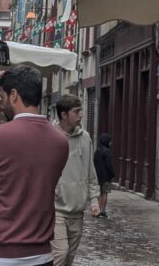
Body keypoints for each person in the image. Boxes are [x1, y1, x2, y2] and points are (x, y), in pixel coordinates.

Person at [0, 66, 68, 266]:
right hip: (40, 256)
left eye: (3, 97)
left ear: (14, 95)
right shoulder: (60, 142)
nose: (2, 103)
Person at [51, 96, 100, 266]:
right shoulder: (50, 136)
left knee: (69, 258)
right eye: (76, 112)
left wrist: (94, 200)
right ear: (64, 114)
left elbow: (90, 172)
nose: (81, 115)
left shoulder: (85, 138)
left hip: (77, 210)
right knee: (60, 253)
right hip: (56, 209)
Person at [93, 134, 115, 218]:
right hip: (106, 176)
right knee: (105, 193)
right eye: (110, 141)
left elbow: (94, 163)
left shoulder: (97, 151)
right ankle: (102, 210)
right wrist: (112, 174)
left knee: (100, 193)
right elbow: (109, 165)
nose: (111, 143)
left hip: (98, 176)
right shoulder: (107, 151)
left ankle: (97, 209)